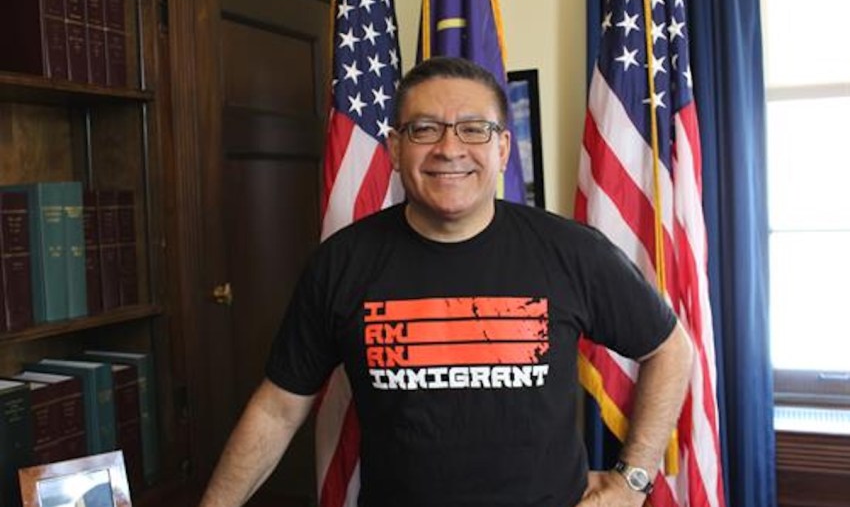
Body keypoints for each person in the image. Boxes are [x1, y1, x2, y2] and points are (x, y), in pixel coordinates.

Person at [198, 56, 694, 507]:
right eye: (425, 129)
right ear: (395, 149)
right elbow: (279, 408)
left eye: (474, 129)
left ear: (503, 149)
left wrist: (632, 481)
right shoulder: (341, 263)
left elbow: (670, 348)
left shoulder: (572, 252)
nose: (449, 148)